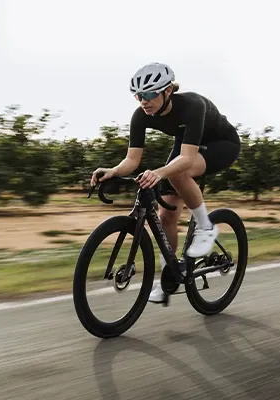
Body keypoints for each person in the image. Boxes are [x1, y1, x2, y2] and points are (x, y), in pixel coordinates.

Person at [88, 62, 240, 304]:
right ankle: (169, 277)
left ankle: (206, 226)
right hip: (187, 144)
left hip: (222, 144)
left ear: (168, 91)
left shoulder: (192, 105)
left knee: (177, 172)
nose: (143, 101)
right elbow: (132, 159)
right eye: (138, 96)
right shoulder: (141, 115)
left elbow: (187, 159)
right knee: (166, 215)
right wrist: (113, 171)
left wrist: (158, 172)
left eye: (149, 95)